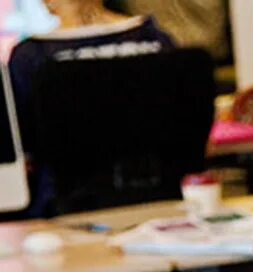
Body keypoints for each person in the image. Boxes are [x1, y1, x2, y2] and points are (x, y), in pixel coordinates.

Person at [8, 0, 175, 216]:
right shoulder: (156, 40)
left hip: (63, 209)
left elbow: (24, 147)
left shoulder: (30, 57)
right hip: (160, 197)